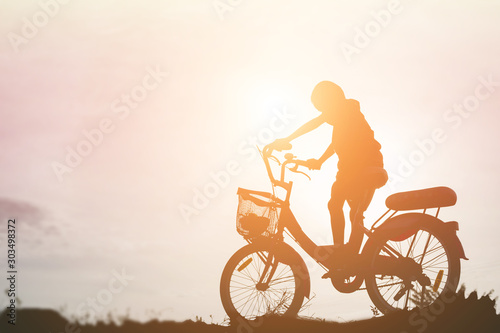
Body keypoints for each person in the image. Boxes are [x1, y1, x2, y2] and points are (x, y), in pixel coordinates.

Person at [268, 81, 388, 262]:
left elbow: (314, 124)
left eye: (322, 106)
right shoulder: (346, 119)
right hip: (362, 166)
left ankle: (342, 250)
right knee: (353, 211)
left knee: (336, 204)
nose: (322, 113)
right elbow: (336, 144)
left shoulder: (346, 110)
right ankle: (350, 254)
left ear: (332, 100)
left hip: (360, 166)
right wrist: (320, 161)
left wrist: (287, 138)